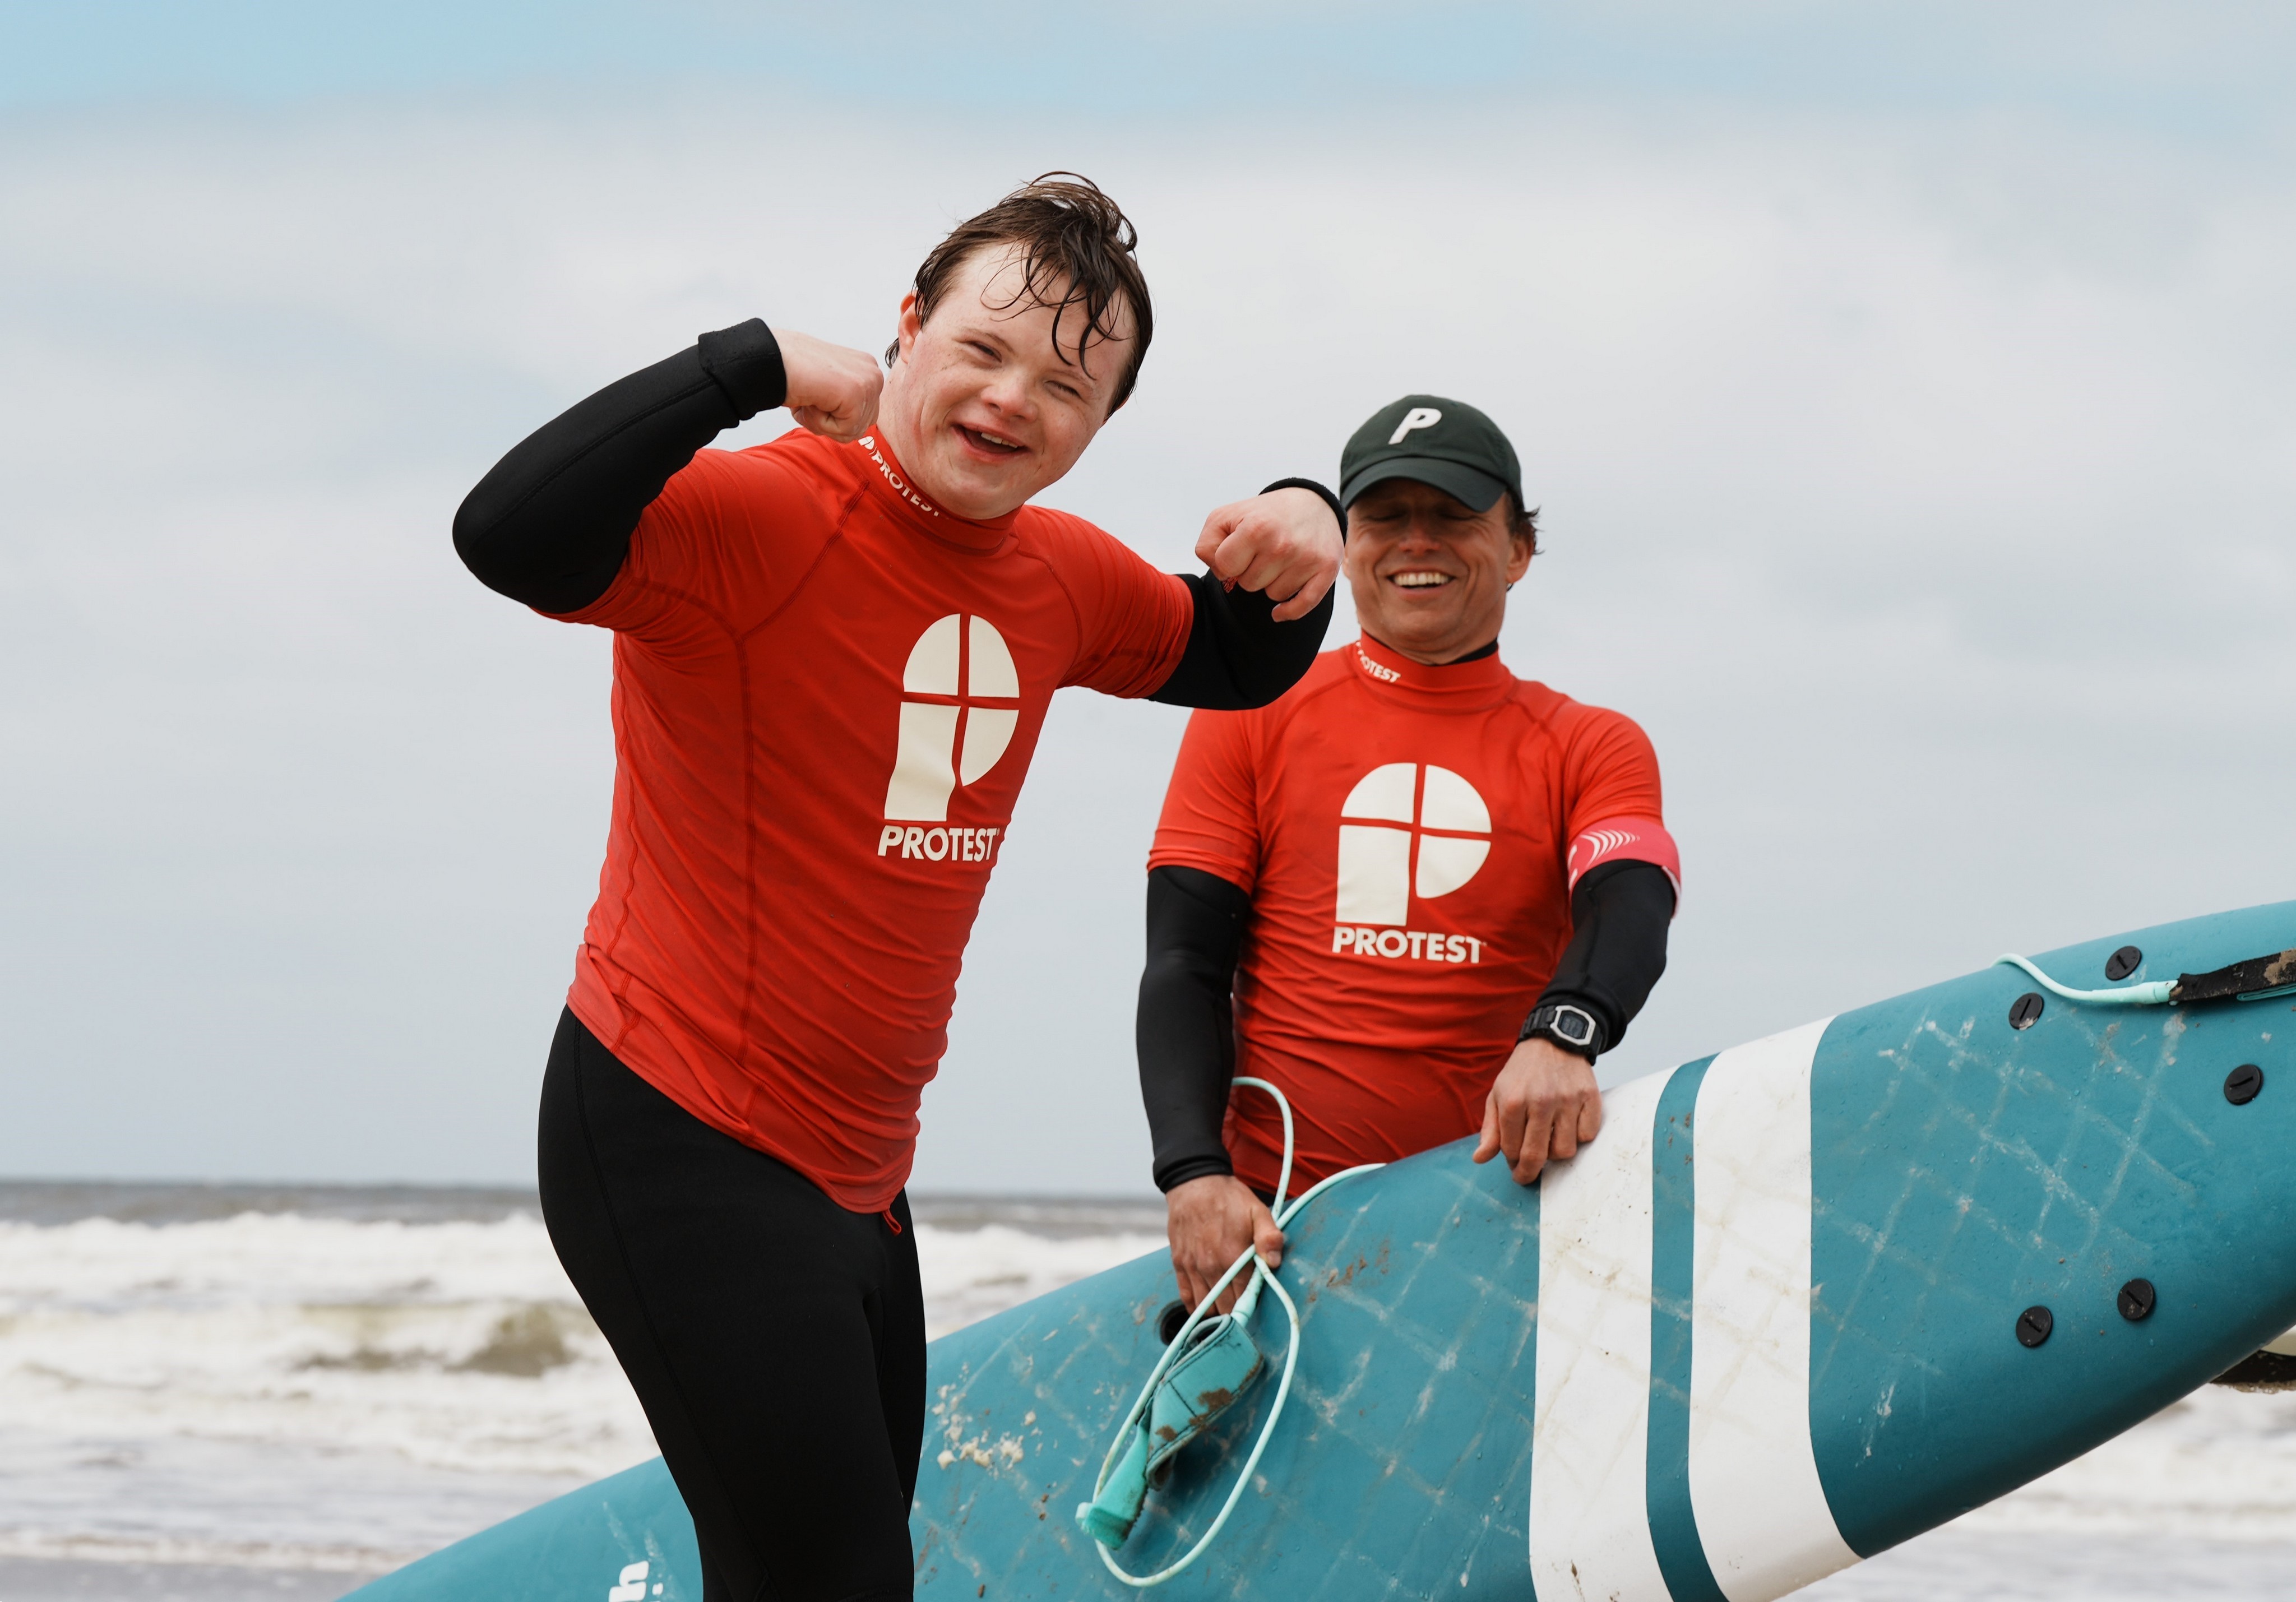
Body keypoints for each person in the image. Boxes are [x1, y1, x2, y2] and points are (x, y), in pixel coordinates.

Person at [451, 175, 1344, 1602]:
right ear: (908, 328)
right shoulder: (752, 518)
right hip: (677, 1124)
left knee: (824, 1578)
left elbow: (1234, 654)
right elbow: (507, 535)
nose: (1009, 401)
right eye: (981, 350)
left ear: (1099, 423)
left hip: (858, 1176)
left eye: (1065, 382)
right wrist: (734, 366)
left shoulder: (1057, 576)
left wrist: (1311, 517)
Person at [1137, 394, 1679, 1314]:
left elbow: (1631, 896)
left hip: (1499, 1218)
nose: (1415, 542)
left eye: (1454, 518)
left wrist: (1565, 1033)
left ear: (1518, 551)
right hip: (1276, 1224)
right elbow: (1185, 961)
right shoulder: (1251, 714)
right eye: (1385, 518)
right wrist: (1191, 1175)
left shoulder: (1590, 743)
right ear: (1347, 548)